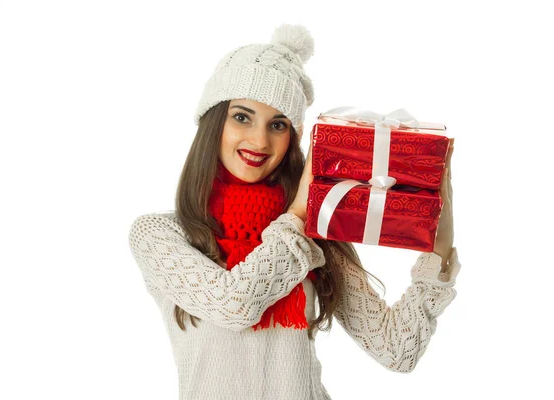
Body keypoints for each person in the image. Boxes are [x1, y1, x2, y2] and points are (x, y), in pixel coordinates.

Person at [128, 24, 461, 400]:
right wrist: (301, 212)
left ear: (293, 137)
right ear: (213, 121)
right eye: (242, 117)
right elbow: (234, 304)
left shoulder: (310, 233)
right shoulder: (160, 234)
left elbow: (396, 350)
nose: (259, 140)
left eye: (278, 125)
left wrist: (439, 250)